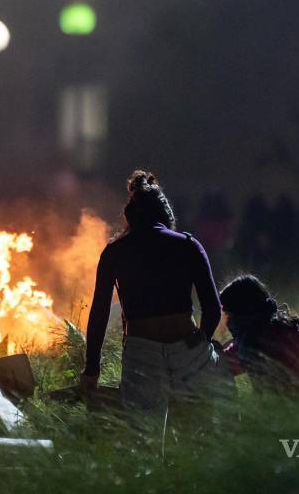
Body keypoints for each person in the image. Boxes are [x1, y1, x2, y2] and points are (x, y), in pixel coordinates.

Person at [82, 170, 229, 423]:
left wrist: (92, 368)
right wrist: (198, 343)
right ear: (165, 214)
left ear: (130, 217)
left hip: (142, 352)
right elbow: (213, 308)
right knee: (195, 437)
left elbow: (99, 314)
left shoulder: (114, 253)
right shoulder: (188, 245)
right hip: (187, 347)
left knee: (145, 443)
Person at [218, 274, 299, 406]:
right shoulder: (251, 340)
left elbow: (220, 366)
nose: (228, 322)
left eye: (229, 314)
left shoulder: (284, 339)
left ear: (244, 312)